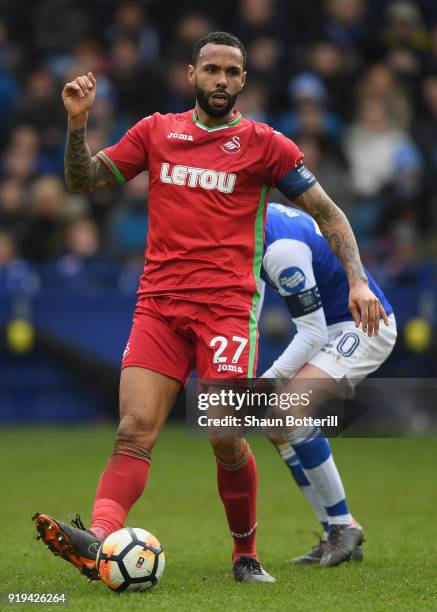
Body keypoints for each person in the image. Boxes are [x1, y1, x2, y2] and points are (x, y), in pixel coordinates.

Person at [33, 31, 387, 584]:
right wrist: (77, 125)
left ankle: (245, 555)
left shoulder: (266, 144)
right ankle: (99, 540)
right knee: (134, 428)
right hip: (158, 307)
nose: (221, 80)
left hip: (225, 310)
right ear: (190, 75)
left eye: (231, 72)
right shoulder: (156, 131)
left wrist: (358, 281)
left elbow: (330, 213)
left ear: (243, 80)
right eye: (211, 70)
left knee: (226, 435)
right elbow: (83, 182)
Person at [258, 202, 396, 566]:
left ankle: (343, 525)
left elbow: (313, 331)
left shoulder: (280, 249)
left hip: (362, 325)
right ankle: (334, 532)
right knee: (276, 424)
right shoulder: (259, 222)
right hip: (332, 325)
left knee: (286, 410)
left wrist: (269, 379)